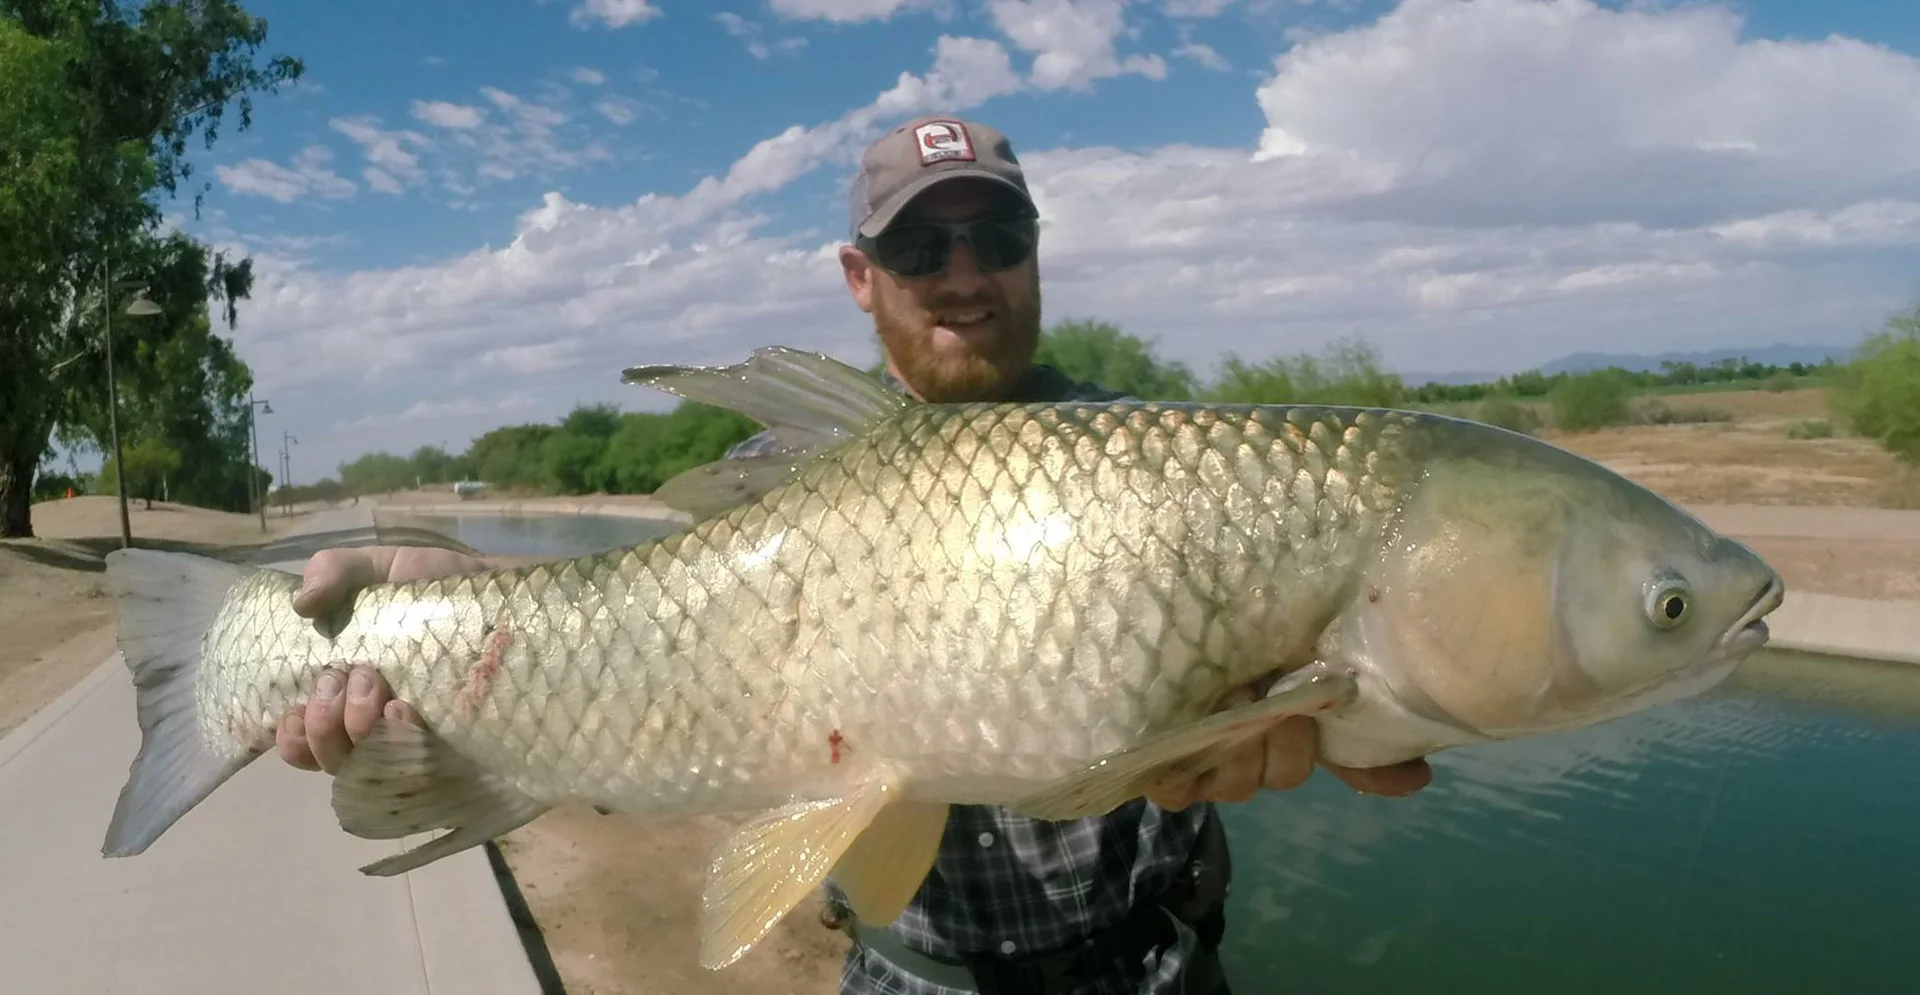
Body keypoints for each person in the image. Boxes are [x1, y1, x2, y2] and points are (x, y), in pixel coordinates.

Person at [276, 115, 1434, 995]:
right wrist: (446, 634)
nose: (966, 272)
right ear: (859, 274)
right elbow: (641, 644)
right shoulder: (785, 476)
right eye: (924, 242)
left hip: (1155, 965)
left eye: (998, 234)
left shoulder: (1162, 459)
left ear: (1036, 253)